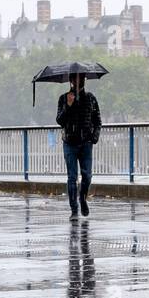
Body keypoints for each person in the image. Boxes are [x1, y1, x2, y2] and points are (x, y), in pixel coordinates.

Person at [56, 73, 101, 218]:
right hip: (69, 142)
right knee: (72, 177)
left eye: (81, 78)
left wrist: (94, 137)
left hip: (86, 143)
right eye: (75, 78)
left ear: (84, 80)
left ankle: (82, 198)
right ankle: (74, 209)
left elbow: (97, 121)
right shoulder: (64, 98)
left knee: (87, 175)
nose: (78, 81)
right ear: (70, 81)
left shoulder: (90, 98)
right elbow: (60, 121)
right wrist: (68, 106)